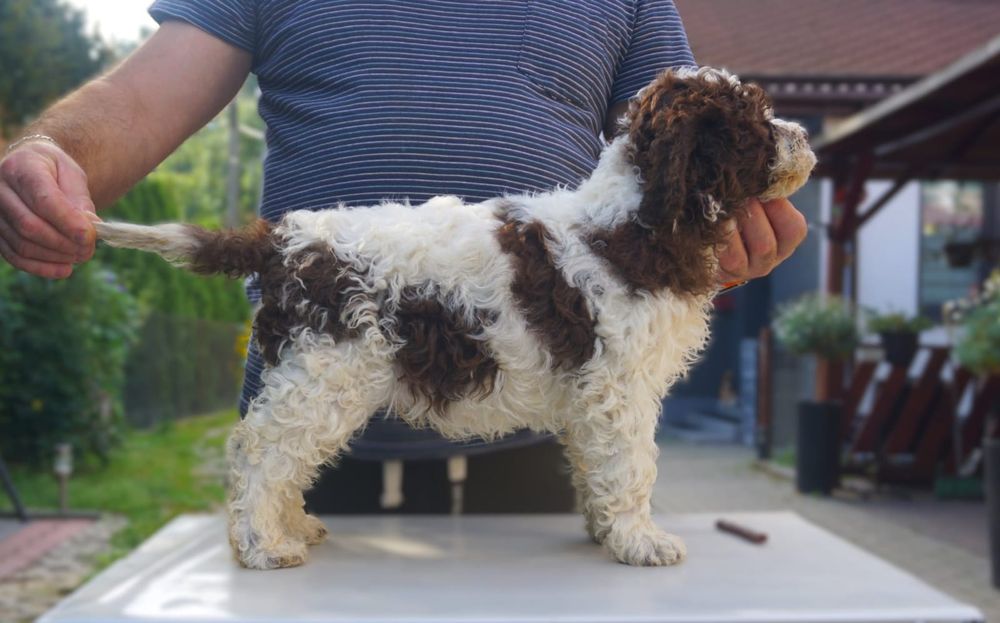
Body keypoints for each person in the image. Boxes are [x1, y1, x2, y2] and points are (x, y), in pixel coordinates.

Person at [0, 1, 807, 513]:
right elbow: (137, 100)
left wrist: (725, 227)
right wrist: (49, 153)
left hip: (539, 441)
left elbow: (674, 140)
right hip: (322, 397)